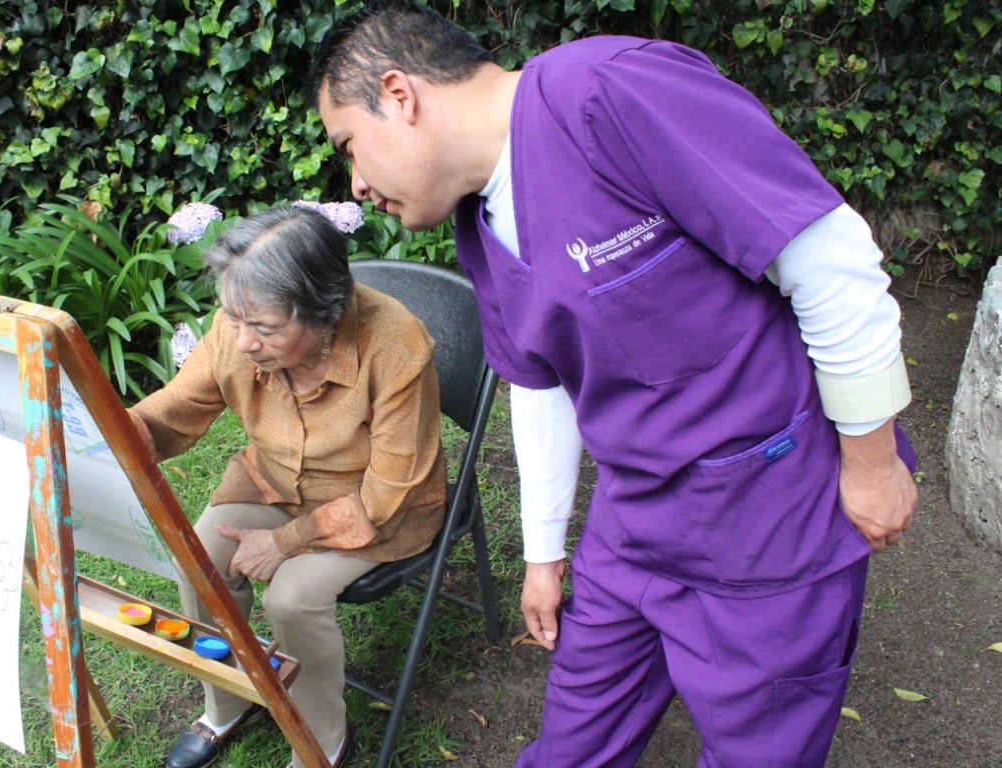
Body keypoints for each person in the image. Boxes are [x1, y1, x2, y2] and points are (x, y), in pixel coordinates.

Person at [308, 3, 919, 766]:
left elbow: (830, 259)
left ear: (397, 94)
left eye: (350, 148)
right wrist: (542, 554)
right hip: (634, 520)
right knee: (572, 745)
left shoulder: (607, 92)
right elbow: (541, 387)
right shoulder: (478, 224)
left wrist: (870, 462)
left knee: (760, 751)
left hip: (770, 513)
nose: (358, 184)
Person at [127, 204, 448, 768]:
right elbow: (172, 412)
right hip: (273, 484)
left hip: (380, 506)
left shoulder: (395, 345)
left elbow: (388, 490)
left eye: (266, 328)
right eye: (233, 318)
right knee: (197, 559)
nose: (244, 340)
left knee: (293, 597)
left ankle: (321, 743)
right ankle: (226, 703)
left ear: (324, 313)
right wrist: (107, 429)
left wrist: (284, 543)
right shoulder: (239, 325)